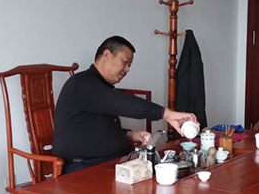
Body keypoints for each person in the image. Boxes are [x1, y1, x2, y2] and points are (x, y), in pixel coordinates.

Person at [53, 36, 198, 173]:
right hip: (84, 169)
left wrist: (129, 135)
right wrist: (166, 114)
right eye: (125, 62)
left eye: (129, 65)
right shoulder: (82, 84)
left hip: (110, 163)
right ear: (107, 55)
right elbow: (124, 104)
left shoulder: (100, 88)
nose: (127, 69)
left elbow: (95, 126)